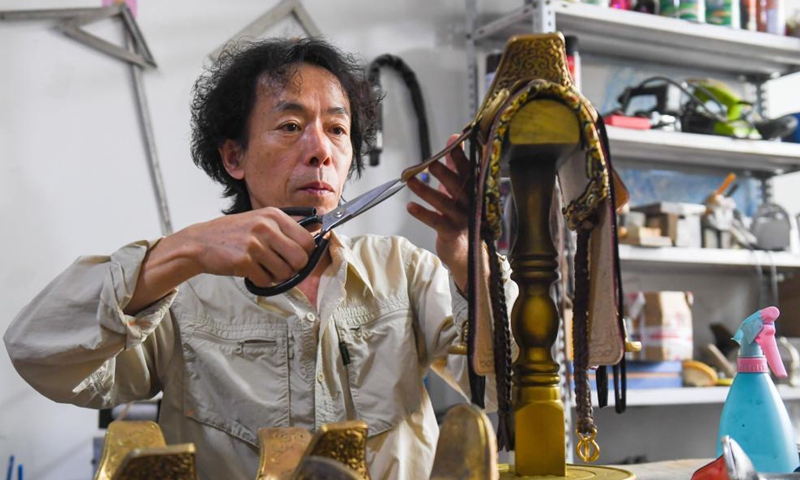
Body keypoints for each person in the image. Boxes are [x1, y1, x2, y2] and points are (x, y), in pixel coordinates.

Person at [4, 37, 516, 480]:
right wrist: (183, 251)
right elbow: (37, 354)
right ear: (234, 157)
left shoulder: (403, 270)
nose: (321, 149)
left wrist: (474, 264)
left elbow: (505, 387)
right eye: (291, 125)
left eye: (337, 130)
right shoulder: (184, 291)